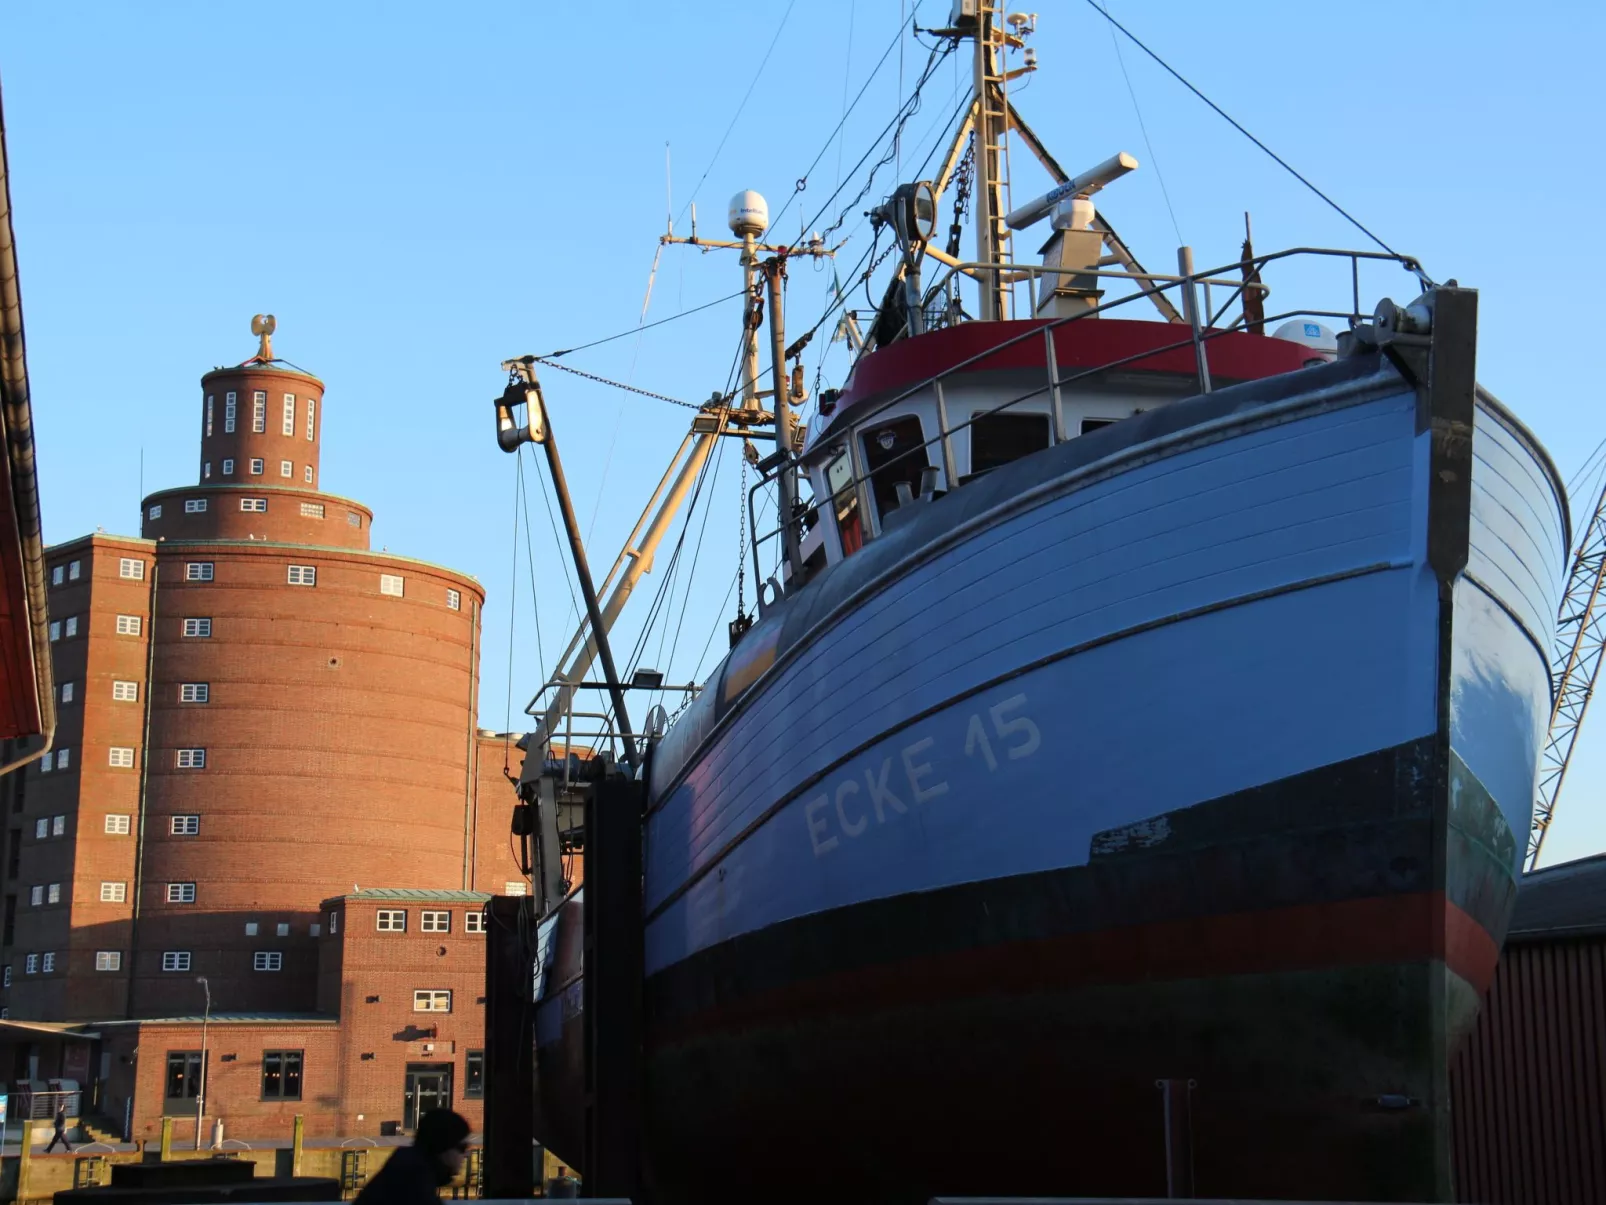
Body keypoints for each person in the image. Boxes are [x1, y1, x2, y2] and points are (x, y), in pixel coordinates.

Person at [355, 1108, 471, 1204]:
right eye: (462, 1147)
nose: (466, 1154)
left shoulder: (407, 1166)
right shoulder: (415, 1181)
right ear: (444, 1147)